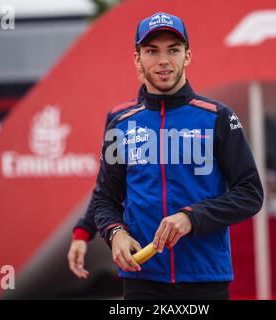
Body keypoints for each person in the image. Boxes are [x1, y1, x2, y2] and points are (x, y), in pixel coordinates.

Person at [93, 12, 263, 300]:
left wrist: (191, 217)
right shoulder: (121, 125)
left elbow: (250, 193)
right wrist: (115, 233)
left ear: (187, 56)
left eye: (173, 50)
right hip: (142, 280)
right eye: (152, 51)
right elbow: (104, 201)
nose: (163, 60)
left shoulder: (218, 118)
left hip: (205, 279)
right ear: (137, 59)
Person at [67, 88, 144, 279]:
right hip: (138, 253)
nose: (161, 61)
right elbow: (107, 188)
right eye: (152, 55)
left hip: (193, 255)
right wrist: (83, 232)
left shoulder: (197, 115)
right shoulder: (119, 117)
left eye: (170, 54)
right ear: (139, 62)